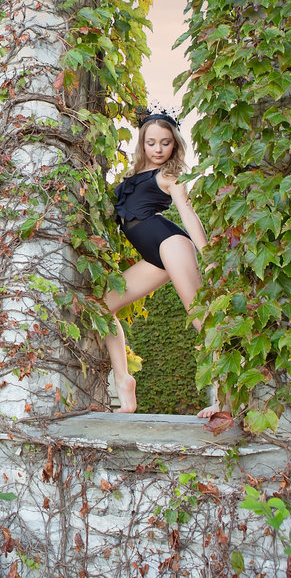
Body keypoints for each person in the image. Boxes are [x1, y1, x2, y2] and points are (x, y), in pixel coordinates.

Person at [97, 111, 216, 417]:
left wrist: (208, 256)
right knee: (101, 307)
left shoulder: (169, 176)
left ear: (174, 146)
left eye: (165, 143)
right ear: (143, 144)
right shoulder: (130, 179)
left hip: (171, 244)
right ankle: (124, 382)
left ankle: (224, 394)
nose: (158, 149)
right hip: (153, 256)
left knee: (200, 316)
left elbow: (187, 213)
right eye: (151, 142)